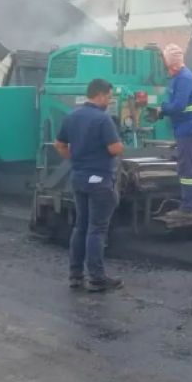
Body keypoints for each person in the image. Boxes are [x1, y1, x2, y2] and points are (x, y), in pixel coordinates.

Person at [54, 78, 125, 292]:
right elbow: (114, 149)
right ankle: (97, 278)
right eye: (109, 96)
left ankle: (75, 275)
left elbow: (59, 145)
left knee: (81, 226)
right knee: (97, 229)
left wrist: (75, 160)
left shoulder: (72, 116)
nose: (109, 101)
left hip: (79, 178)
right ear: (100, 95)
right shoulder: (103, 120)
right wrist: (121, 144)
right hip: (99, 181)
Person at [159, 44, 192, 218]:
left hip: (189, 129)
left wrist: (162, 109)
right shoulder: (178, 78)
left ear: (171, 64)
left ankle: (189, 208)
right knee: (186, 168)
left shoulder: (184, 78)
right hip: (185, 129)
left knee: (188, 170)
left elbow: (178, 106)